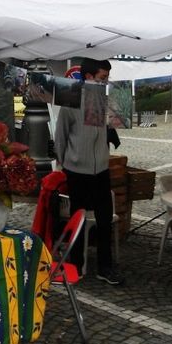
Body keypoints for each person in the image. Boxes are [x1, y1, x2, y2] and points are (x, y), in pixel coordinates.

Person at [54, 57, 123, 285]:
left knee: (105, 220)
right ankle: (75, 264)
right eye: (103, 78)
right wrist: (64, 163)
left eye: (107, 78)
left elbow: (111, 129)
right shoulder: (71, 101)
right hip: (76, 170)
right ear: (89, 77)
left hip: (101, 169)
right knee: (78, 218)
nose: (106, 82)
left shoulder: (107, 101)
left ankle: (105, 267)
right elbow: (61, 136)